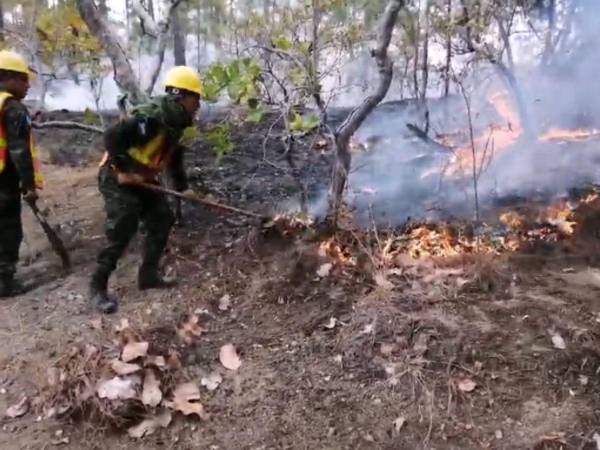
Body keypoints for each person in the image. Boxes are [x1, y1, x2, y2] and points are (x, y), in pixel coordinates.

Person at [90, 66, 202, 314]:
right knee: (123, 223)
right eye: (196, 98)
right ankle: (97, 287)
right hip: (116, 176)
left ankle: (148, 275)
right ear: (180, 96)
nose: (199, 105)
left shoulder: (176, 124)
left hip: (143, 178)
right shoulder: (150, 118)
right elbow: (111, 137)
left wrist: (183, 188)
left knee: (162, 217)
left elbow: (173, 159)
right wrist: (122, 169)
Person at [0, 50, 43, 298]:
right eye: (23, 80)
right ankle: (5, 282)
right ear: (8, 78)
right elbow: (19, 152)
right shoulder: (13, 108)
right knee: (8, 229)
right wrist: (29, 186)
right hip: (4, 182)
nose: (27, 86)